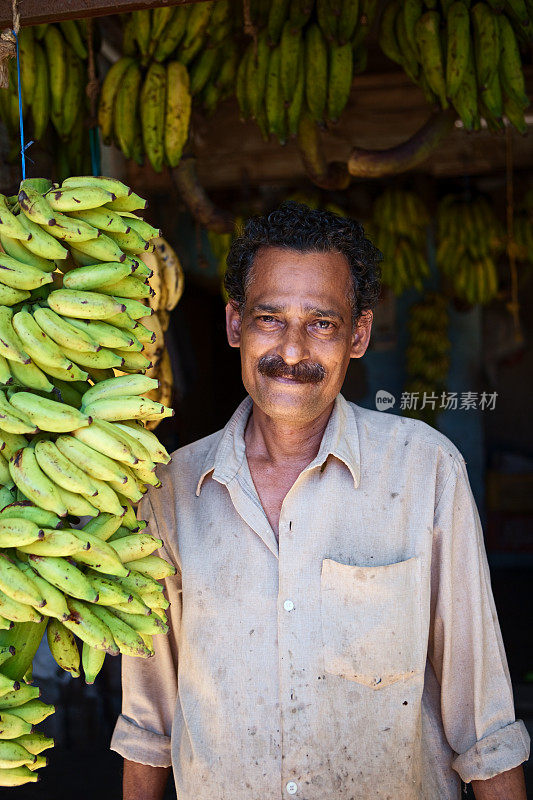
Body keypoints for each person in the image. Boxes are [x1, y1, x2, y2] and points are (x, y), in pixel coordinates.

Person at [111, 203, 529, 800]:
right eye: (269, 319)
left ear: (359, 334)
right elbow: (150, 721)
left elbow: (484, 724)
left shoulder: (425, 471)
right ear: (234, 324)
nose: (292, 349)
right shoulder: (171, 489)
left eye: (322, 324)